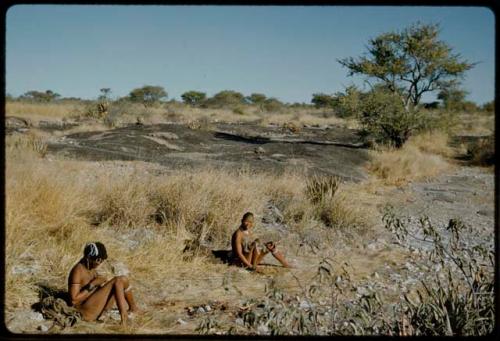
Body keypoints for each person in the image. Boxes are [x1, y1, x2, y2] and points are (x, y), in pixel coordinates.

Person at [67, 242, 140, 326]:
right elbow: (74, 300)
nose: (100, 263)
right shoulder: (78, 270)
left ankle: (133, 309)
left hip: (92, 305)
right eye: (98, 260)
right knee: (117, 281)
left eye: (101, 260)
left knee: (123, 279)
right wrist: (93, 284)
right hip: (84, 312)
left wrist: (101, 283)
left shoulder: (90, 268)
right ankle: (124, 317)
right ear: (88, 258)